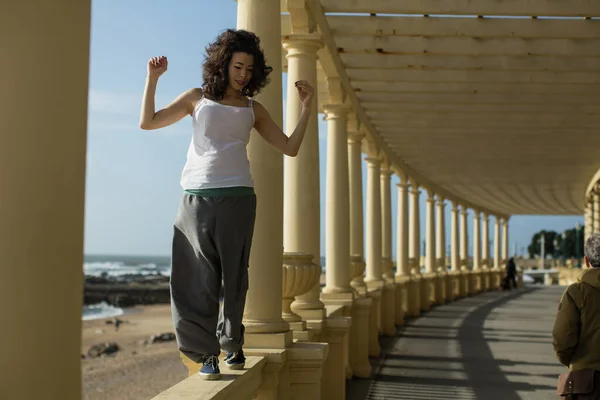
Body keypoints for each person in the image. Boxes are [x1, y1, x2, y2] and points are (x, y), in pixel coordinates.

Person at [139, 29, 314, 380]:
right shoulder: (196, 98)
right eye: (237, 66)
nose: (243, 75)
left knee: (235, 277)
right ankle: (206, 355)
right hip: (195, 198)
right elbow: (149, 122)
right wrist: (152, 79)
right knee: (195, 278)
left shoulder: (253, 109)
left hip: (238, 197)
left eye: (249, 69)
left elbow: (290, 147)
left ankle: (232, 346)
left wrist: (308, 108)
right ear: (223, 64)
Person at [552, 233, 600, 397]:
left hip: (586, 383)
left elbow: (562, 338)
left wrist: (574, 362)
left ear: (586, 261)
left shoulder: (576, 292)